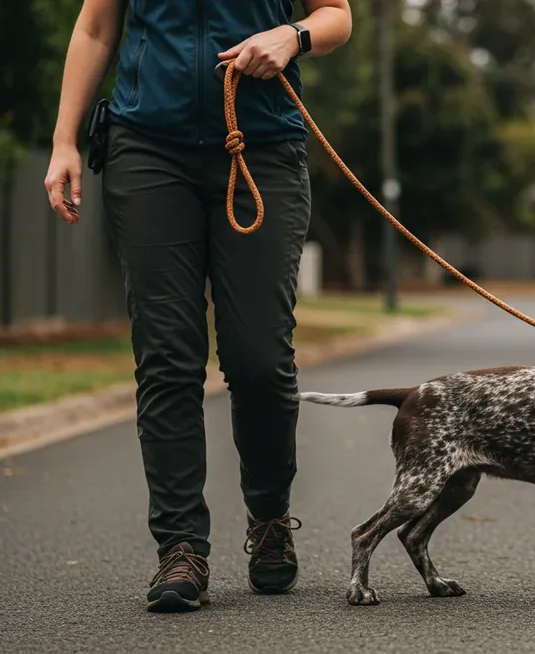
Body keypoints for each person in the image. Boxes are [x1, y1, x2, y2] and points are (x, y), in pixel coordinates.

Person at [43, 0, 353, 613]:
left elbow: (336, 16)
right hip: (147, 149)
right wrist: (63, 140)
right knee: (167, 355)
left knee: (259, 356)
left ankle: (269, 517)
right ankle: (180, 546)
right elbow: (96, 27)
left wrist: (292, 37)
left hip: (262, 146)